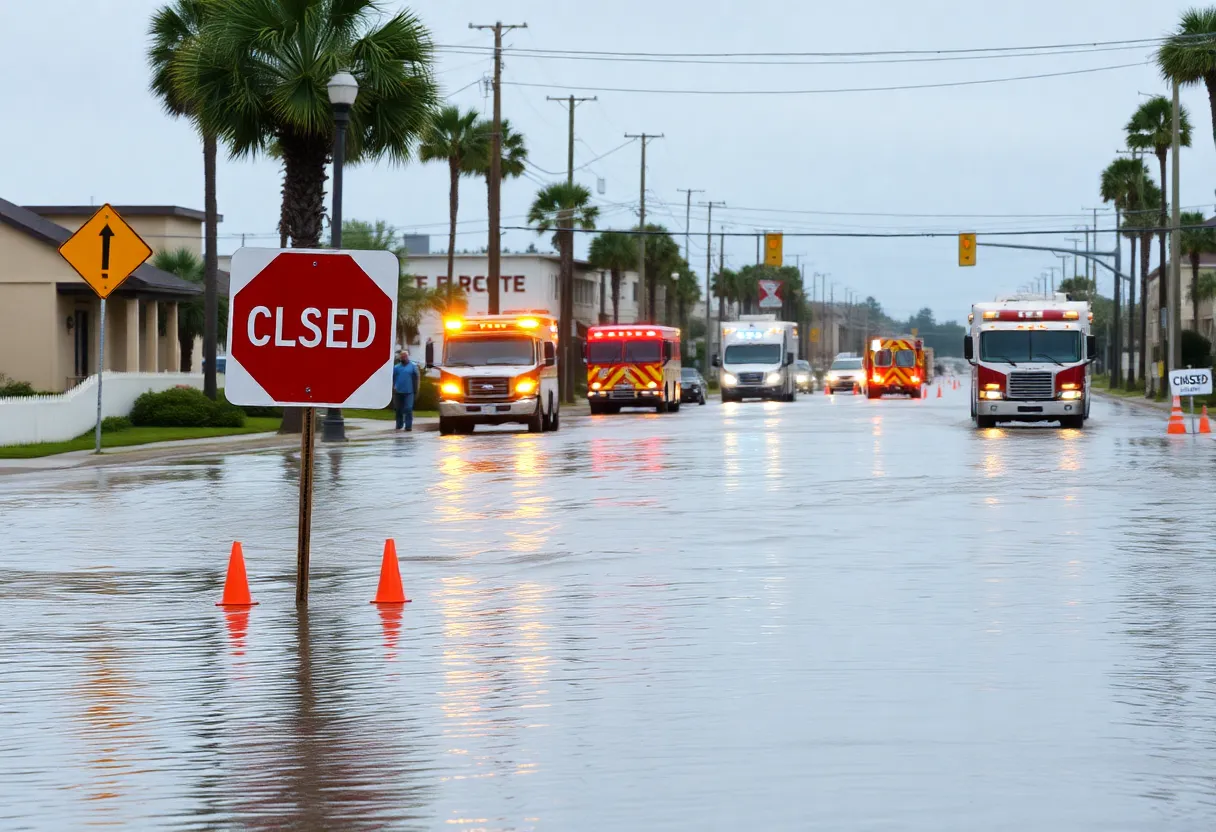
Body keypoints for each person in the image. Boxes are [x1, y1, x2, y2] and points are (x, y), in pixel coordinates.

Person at [392, 350, 421, 431]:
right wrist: (393, 387)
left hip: (409, 391)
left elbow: (417, 379)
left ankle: (408, 426)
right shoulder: (396, 367)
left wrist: (416, 390)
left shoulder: (413, 366)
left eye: (405, 356)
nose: (403, 357)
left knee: (408, 408)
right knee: (398, 409)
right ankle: (399, 425)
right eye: (402, 356)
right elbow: (393, 378)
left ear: (407, 357)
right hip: (398, 391)